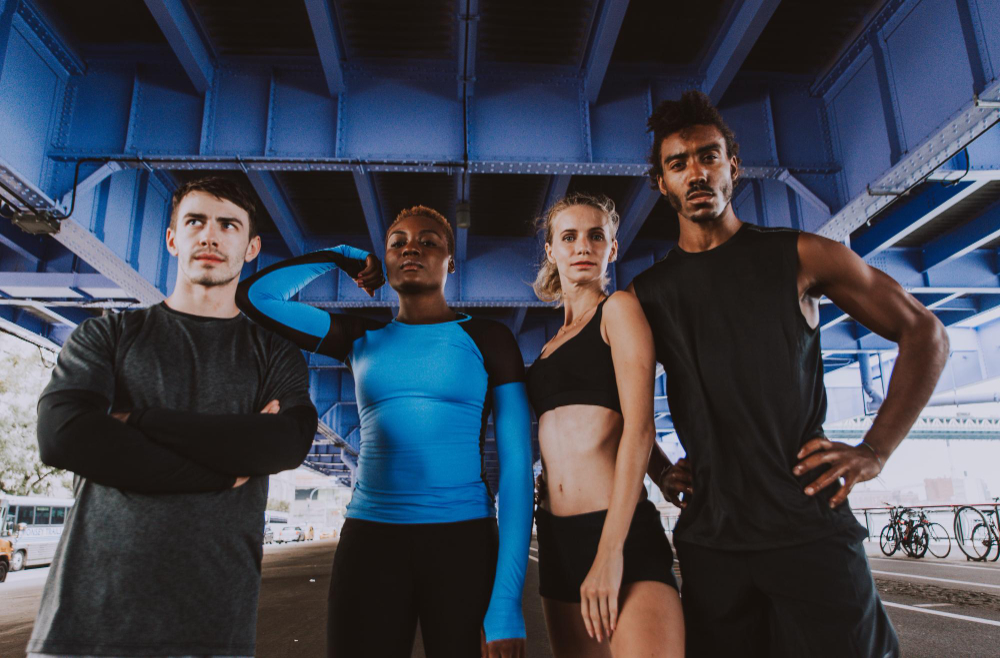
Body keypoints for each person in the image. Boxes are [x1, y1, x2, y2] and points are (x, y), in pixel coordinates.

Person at [630, 90, 949, 658]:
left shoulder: (801, 256)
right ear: (661, 182)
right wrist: (658, 469)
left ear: (734, 165)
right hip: (713, 540)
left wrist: (875, 449)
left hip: (809, 526)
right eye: (678, 163)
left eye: (709, 156)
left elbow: (925, 332)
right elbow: (610, 400)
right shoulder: (647, 296)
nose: (696, 172)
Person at [29, 177, 318, 658]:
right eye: (195, 222)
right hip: (87, 623)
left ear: (251, 248)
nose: (210, 235)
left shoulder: (274, 353)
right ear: (172, 239)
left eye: (228, 225)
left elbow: (284, 444)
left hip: (212, 625)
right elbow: (63, 436)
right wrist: (223, 471)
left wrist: (136, 421)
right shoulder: (109, 335)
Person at [235, 205, 533, 658]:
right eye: (397, 242)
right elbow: (256, 297)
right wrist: (340, 255)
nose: (411, 247)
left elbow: (516, 471)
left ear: (450, 261)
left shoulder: (489, 339)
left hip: (463, 542)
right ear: (385, 260)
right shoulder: (358, 338)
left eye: (428, 241)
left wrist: (507, 602)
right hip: (371, 544)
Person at [527, 193, 684, 657]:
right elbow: (597, 426)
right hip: (557, 539)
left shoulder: (618, 310)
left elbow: (638, 426)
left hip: (617, 532)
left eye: (596, 236)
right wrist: (663, 470)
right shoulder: (550, 344)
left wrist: (610, 551)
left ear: (612, 249)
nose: (583, 247)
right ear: (552, 250)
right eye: (569, 237)